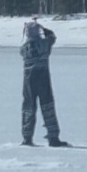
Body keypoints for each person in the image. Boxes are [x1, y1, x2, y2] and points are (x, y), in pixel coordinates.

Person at [20, 19, 69, 147]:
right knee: (48, 107)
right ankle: (53, 137)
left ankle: (27, 137)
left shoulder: (24, 49)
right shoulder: (44, 44)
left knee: (28, 108)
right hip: (43, 79)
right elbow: (52, 37)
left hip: (28, 81)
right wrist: (45, 30)